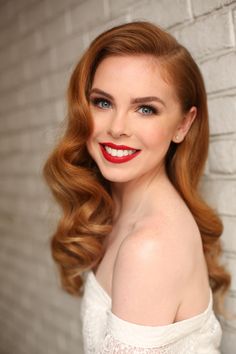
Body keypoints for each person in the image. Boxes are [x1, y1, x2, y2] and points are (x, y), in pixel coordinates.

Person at [43, 21, 231, 353]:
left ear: (183, 124)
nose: (117, 128)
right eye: (103, 102)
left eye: (145, 109)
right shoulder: (120, 213)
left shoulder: (149, 247)